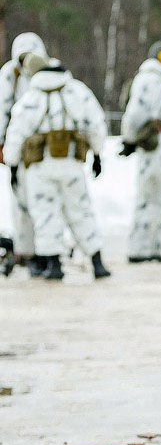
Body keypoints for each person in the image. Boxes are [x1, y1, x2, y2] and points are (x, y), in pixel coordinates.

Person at [2, 54, 110, 280]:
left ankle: (53, 265)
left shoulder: (31, 97)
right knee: (81, 210)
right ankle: (97, 261)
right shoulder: (76, 91)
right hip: (71, 164)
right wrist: (97, 153)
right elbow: (96, 122)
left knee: (45, 215)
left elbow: (16, 132)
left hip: (40, 167)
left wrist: (12, 165)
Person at [120, 40, 161, 263]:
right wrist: (129, 138)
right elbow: (136, 112)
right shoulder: (149, 79)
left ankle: (153, 247)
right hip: (155, 144)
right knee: (149, 196)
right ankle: (139, 248)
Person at [0, 32, 48, 275]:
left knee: (46, 203)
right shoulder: (9, 76)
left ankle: (46, 251)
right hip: (19, 147)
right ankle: (26, 251)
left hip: (44, 150)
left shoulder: (46, 72)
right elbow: (2, 110)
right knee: (21, 204)